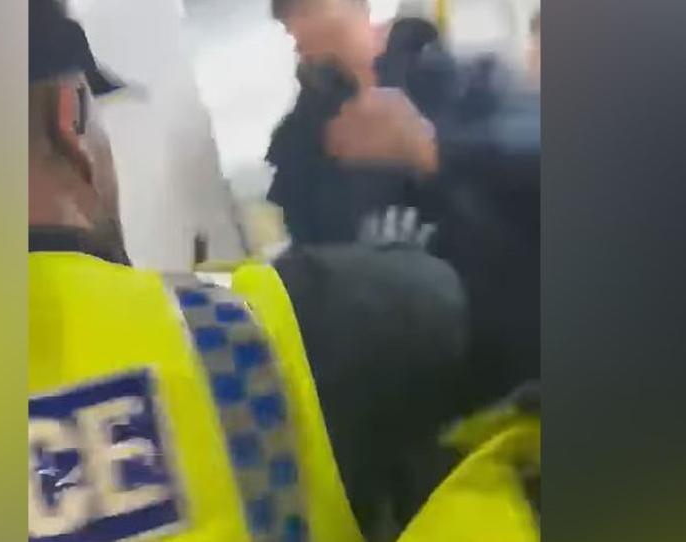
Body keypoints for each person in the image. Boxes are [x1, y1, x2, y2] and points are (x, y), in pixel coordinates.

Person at [28, 2, 500, 541]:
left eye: (305, 11)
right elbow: (425, 305)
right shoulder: (238, 330)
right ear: (72, 121)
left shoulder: (456, 83)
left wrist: (435, 153)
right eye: (286, 18)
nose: (295, 31)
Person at [268, 0, 541, 412]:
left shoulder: (467, 80)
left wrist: (433, 152)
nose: (305, 26)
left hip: (515, 357)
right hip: (409, 398)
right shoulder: (299, 148)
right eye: (293, 17)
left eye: (315, 8)